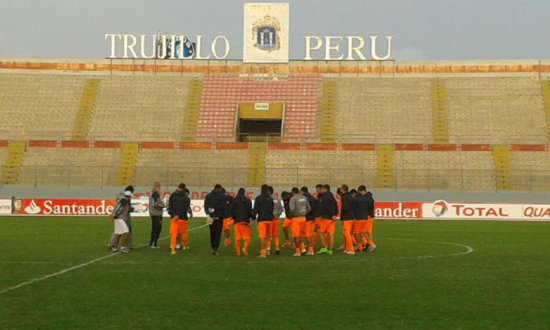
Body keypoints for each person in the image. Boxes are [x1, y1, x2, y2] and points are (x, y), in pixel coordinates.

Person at [108, 185, 135, 250]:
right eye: (130, 197)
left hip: (118, 217)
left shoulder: (120, 197)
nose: (130, 198)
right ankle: (123, 247)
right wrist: (114, 215)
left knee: (118, 232)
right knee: (126, 231)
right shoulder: (124, 200)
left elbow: (118, 207)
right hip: (121, 217)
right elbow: (119, 208)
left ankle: (114, 246)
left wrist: (114, 215)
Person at [168, 183, 191, 255]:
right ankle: (185, 246)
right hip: (182, 218)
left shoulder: (173, 196)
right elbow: (185, 208)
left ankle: (173, 248)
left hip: (174, 218)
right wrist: (178, 215)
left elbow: (170, 206)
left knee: (174, 233)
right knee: (183, 232)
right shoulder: (186, 198)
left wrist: (174, 215)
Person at [252, 184, 274, 258]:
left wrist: (253, 216)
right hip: (270, 219)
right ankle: (268, 249)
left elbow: (256, 209)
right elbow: (272, 209)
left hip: (262, 219)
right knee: (268, 236)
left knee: (262, 236)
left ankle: (263, 252)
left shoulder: (258, 198)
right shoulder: (270, 199)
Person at [204, 184, 226, 255]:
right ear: (220, 189)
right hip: (219, 216)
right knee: (218, 233)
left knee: (212, 232)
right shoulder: (223, 196)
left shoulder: (208, 195)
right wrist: (215, 209)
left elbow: (205, 205)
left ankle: (213, 247)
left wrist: (208, 212)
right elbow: (223, 206)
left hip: (210, 216)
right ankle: (215, 248)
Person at [289, 187, 311, 257]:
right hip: (303, 218)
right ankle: (303, 249)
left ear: (293, 193)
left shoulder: (293, 198)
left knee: (296, 236)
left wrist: (292, 215)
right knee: (301, 235)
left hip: (296, 218)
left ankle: (298, 251)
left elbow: (292, 209)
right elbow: (309, 208)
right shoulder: (304, 198)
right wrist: (304, 213)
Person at [316, 184, 338, 255]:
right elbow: (335, 205)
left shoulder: (325, 197)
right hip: (331, 218)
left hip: (327, 217)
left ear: (325, 189)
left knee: (319, 231)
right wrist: (335, 214)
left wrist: (332, 215)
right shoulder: (332, 196)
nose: (321, 190)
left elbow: (327, 207)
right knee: (331, 234)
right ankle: (330, 250)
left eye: (322, 189)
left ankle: (324, 248)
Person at [231, 188, 253, 256]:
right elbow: (250, 210)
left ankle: (238, 252)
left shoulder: (234, 201)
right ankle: (245, 248)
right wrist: (250, 217)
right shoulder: (247, 200)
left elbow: (231, 211)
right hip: (245, 221)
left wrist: (234, 217)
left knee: (237, 238)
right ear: (244, 193)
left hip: (237, 221)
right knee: (247, 237)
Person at [353, 185, 371, 252]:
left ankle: (361, 245)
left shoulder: (356, 199)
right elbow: (369, 207)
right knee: (362, 232)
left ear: (359, 191)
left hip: (359, 218)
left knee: (356, 232)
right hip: (365, 218)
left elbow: (354, 208)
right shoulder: (366, 199)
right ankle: (368, 243)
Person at [340, 184, 356, 255]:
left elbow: (345, 208)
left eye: (341, 188)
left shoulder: (344, 197)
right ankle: (347, 248)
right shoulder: (351, 196)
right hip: (352, 216)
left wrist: (343, 216)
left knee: (347, 233)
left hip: (347, 217)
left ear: (343, 189)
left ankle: (351, 249)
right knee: (348, 233)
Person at [149, 182, 165, 249]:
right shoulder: (155, 194)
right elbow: (155, 204)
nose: (160, 187)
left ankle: (153, 243)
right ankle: (153, 243)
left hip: (155, 213)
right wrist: (162, 206)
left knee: (156, 228)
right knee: (157, 228)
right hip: (156, 213)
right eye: (159, 186)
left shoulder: (154, 193)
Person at [301, 186, 317, 256]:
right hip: (312, 218)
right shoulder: (312, 198)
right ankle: (310, 248)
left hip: (307, 218)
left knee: (305, 234)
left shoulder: (304, 199)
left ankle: (309, 250)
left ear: (302, 191)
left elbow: (306, 208)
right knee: (310, 234)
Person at [269, 186, 283, 255]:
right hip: (276, 219)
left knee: (269, 235)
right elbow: (281, 210)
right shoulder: (277, 199)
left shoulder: (268, 199)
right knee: (276, 235)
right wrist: (277, 215)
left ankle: (268, 249)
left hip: (270, 220)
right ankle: (277, 248)